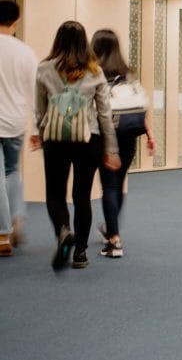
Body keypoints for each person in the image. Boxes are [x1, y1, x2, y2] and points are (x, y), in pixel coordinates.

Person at [31, 21, 121, 270]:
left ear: (58, 40)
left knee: (55, 194)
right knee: (82, 196)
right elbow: (104, 114)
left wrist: (42, 134)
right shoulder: (95, 71)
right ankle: (80, 253)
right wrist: (111, 149)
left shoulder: (44, 68)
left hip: (56, 139)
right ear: (84, 43)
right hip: (88, 140)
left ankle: (63, 230)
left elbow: (40, 110)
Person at [91, 29, 156, 258]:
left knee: (109, 185)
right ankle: (111, 229)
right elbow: (141, 107)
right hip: (129, 134)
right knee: (118, 184)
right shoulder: (127, 74)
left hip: (105, 135)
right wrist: (149, 134)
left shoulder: (94, 74)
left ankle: (114, 239)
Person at [0, 0, 37, 257]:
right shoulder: (25, 52)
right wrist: (37, 129)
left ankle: (3, 234)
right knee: (12, 171)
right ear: (16, 21)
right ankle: (16, 217)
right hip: (15, 122)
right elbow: (35, 92)